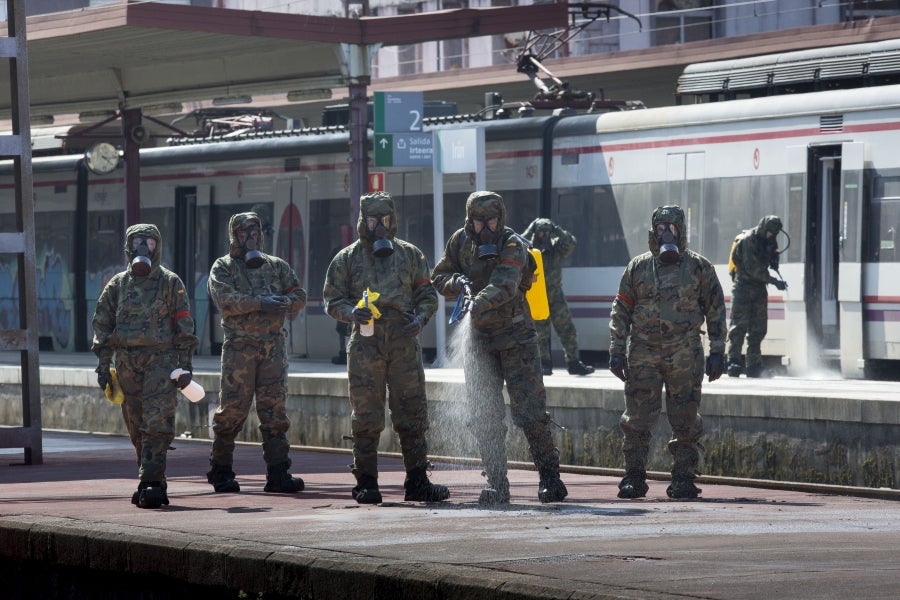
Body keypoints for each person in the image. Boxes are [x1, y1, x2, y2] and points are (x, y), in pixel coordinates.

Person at [432, 190, 568, 505]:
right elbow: (438, 276)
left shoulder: (513, 244)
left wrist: (478, 301)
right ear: (470, 221)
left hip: (516, 338)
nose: (486, 228)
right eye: (479, 222)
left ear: (500, 218)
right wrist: (459, 284)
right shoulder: (460, 242)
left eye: (491, 220)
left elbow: (507, 283)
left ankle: (551, 479)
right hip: (479, 342)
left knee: (531, 412)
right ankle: (497, 484)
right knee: (484, 415)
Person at [323, 191, 449, 504]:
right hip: (366, 344)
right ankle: (366, 482)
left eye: (385, 219)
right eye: (372, 219)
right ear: (363, 221)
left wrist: (420, 319)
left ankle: (417, 481)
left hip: (404, 342)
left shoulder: (410, 255)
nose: (379, 225)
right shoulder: (348, 258)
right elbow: (331, 299)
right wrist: (352, 312)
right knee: (366, 414)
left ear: (392, 219)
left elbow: (428, 295)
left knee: (412, 412)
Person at [608, 205, 726, 500]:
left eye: (671, 228)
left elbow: (716, 309)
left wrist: (718, 351)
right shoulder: (638, 267)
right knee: (636, 418)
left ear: (681, 232)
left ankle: (684, 478)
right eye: (660, 228)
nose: (665, 234)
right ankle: (633, 477)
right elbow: (621, 309)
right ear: (653, 231)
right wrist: (616, 349)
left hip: (685, 352)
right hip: (644, 353)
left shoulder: (699, 267)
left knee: (686, 417)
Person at [92, 223, 199, 509]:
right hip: (126, 362)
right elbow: (102, 324)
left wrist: (185, 366)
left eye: (149, 243)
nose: (143, 248)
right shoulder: (117, 284)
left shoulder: (170, 283)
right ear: (128, 247)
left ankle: (152, 481)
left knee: (156, 422)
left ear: (157, 247)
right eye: (138, 242)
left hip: (161, 361)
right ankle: (148, 478)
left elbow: (184, 326)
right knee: (136, 424)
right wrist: (104, 366)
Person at [206, 211, 307, 494]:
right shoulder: (223, 267)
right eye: (243, 233)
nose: (249, 238)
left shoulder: (276, 266)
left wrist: (285, 302)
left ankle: (278, 473)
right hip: (240, 348)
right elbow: (225, 299)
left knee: (274, 411)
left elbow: (300, 295)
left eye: (253, 232)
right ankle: (221, 471)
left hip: (273, 347)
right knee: (232, 410)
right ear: (234, 236)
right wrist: (260, 303)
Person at [522, 218, 594, 376]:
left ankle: (573, 362)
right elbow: (519, 245)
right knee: (540, 332)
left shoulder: (556, 248)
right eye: (540, 232)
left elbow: (571, 242)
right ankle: (544, 363)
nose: (544, 235)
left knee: (567, 328)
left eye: (547, 232)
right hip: (538, 295)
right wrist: (530, 228)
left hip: (556, 295)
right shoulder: (529, 249)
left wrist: (556, 229)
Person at [726, 215, 788, 378]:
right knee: (738, 327)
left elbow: (769, 258)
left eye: (775, 234)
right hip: (743, 289)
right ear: (763, 228)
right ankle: (734, 362)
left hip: (759, 289)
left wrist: (774, 261)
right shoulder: (748, 241)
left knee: (758, 329)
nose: (772, 236)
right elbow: (753, 269)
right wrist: (774, 281)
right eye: (770, 232)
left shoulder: (769, 240)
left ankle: (753, 365)